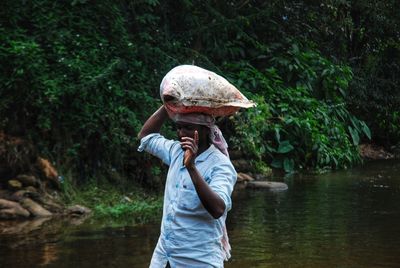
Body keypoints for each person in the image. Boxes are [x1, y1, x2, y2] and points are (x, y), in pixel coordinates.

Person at [137, 105, 237, 268]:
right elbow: (145, 137)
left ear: (205, 130)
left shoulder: (220, 165)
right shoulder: (176, 151)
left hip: (198, 261)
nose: (182, 133)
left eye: (189, 128)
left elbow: (218, 209)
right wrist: (168, 105)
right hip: (164, 259)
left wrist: (191, 167)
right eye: (179, 127)